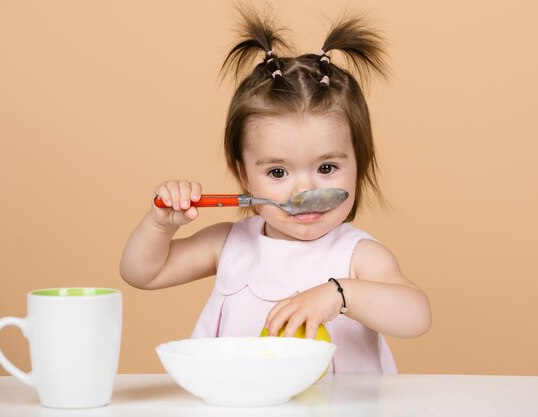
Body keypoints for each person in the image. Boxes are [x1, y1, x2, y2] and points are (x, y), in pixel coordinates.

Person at [120, 8, 431, 374]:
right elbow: (142, 273)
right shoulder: (231, 243)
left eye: (327, 168)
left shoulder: (357, 256)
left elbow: (416, 315)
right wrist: (161, 225)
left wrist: (339, 294)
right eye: (278, 172)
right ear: (244, 176)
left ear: (358, 166)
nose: (304, 188)